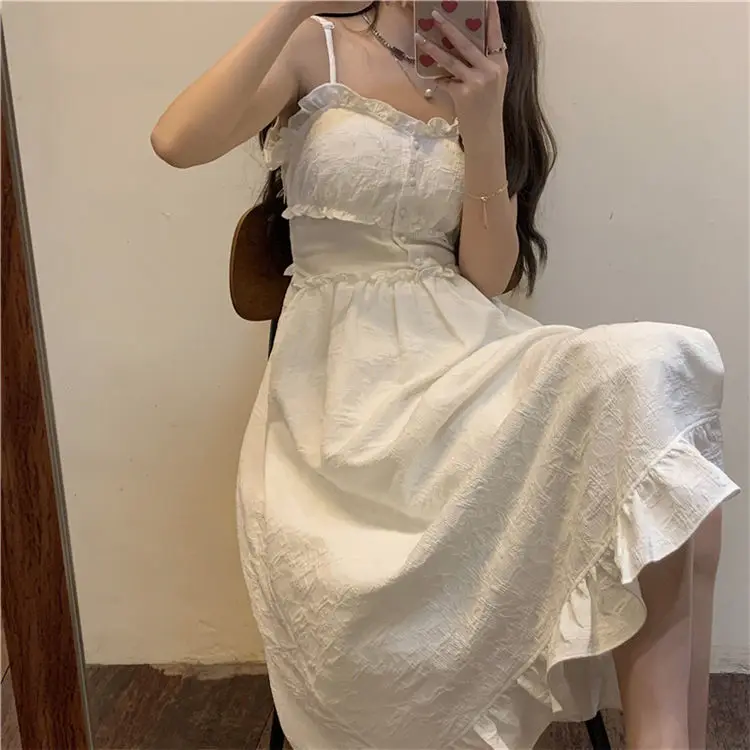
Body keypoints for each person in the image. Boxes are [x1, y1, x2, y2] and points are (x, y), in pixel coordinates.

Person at [151, 2, 740, 747]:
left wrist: (484, 118)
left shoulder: (484, 68)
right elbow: (176, 141)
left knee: (663, 403)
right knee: (667, 465)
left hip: (464, 356)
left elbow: (488, 277)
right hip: (345, 388)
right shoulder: (317, 43)